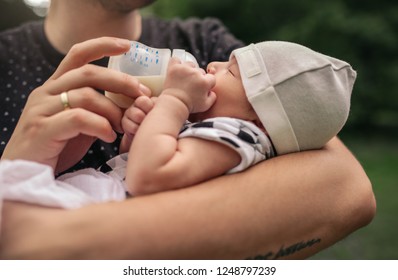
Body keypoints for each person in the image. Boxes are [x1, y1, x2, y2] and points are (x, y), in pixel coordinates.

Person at [0, 1, 375, 259]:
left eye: (228, 70)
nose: (211, 66)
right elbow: (138, 163)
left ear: (261, 119)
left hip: (72, 208)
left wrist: (175, 99)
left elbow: (345, 190)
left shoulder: (236, 127)